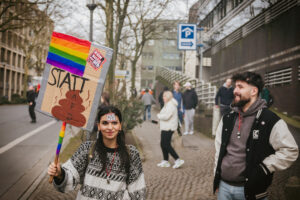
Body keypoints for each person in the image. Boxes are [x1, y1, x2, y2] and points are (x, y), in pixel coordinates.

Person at [213, 71, 298, 200]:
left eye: (240, 87)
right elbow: (219, 151)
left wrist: (265, 167)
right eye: (235, 86)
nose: (235, 90)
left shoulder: (269, 120)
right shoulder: (227, 118)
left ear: (253, 91)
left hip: (252, 192)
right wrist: (217, 178)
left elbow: (290, 150)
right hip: (224, 188)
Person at [48, 106, 146, 199]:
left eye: (114, 123)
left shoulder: (131, 154)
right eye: (105, 123)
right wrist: (60, 173)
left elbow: (138, 191)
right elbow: (70, 178)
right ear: (98, 126)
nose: (110, 127)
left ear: (120, 125)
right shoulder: (86, 149)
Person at [157, 91, 184, 169]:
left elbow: (166, 116)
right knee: (163, 143)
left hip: (169, 127)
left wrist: (158, 116)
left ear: (168, 97)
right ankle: (165, 161)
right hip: (165, 127)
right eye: (163, 96)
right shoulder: (167, 104)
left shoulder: (171, 105)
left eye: (164, 96)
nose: (163, 98)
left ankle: (178, 159)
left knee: (166, 144)